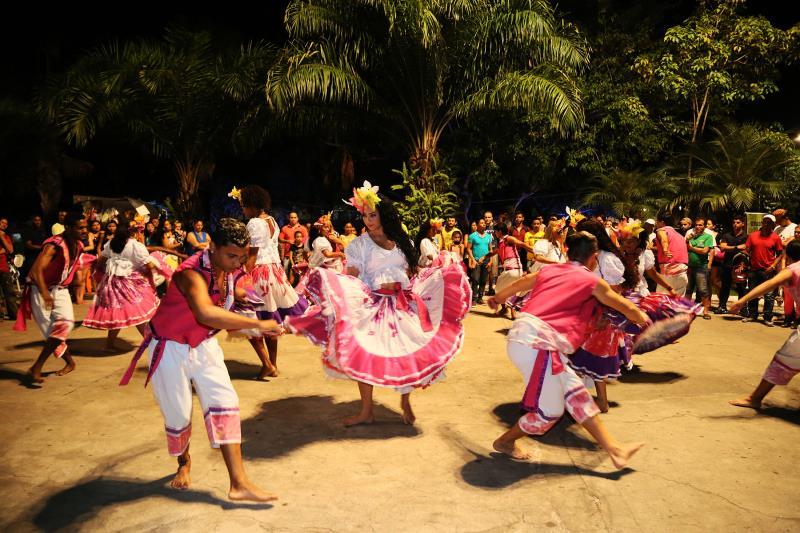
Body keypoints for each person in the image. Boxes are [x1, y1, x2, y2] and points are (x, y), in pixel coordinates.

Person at [119, 218, 281, 502]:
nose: (238, 264)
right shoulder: (190, 273)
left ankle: (239, 483)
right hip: (168, 348)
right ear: (213, 246)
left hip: (204, 345)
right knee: (178, 414)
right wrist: (260, 325)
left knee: (226, 404)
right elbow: (205, 312)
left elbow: (228, 295)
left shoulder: (226, 270)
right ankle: (184, 463)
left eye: (242, 257)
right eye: (231, 256)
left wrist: (258, 298)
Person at [285, 182, 471, 426]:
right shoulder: (360, 244)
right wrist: (335, 290)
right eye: (365, 215)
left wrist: (437, 270)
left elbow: (412, 271)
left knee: (405, 351)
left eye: (373, 214)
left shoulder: (402, 241)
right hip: (373, 304)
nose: (369, 219)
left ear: (384, 213)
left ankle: (405, 401)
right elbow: (351, 274)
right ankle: (366, 411)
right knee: (366, 352)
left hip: (404, 303)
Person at [487, 231, 647, 467]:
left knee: (576, 393)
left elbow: (523, 282)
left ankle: (615, 450)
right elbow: (625, 307)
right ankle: (504, 442)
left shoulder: (550, 270)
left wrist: (498, 298)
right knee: (549, 413)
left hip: (531, 339)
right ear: (593, 257)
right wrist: (645, 318)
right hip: (537, 344)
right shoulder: (592, 281)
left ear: (568, 251)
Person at [236, 185, 308, 379]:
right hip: (274, 273)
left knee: (248, 319)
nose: (243, 209)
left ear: (251, 205)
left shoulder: (253, 223)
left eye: (243, 205)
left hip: (259, 274)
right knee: (269, 320)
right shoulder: (272, 221)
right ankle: (272, 364)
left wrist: (242, 280)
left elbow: (253, 255)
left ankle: (267, 364)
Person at [15, 213, 88, 383]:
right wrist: (45, 293)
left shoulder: (77, 245)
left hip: (60, 290)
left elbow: (75, 264)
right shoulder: (54, 244)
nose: (85, 231)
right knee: (52, 333)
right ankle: (64, 363)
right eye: (81, 228)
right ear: (69, 228)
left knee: (66, 325)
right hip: (39, 290)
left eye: (85, 227)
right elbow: (36, 270)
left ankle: (36, 367)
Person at [729, 240, 800, 410]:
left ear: (787, 255)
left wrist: (742, 300)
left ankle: (755, 398)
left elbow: (769, 284)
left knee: (783, 360)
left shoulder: (792, 270)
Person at [83, 222, 160, 350]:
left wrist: (102, 274)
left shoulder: (111, 244)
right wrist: (152, 273)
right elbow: (148, 265)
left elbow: (101, 261)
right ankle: (150, 342)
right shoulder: (136, 246)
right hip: (130, 284)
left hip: (111, 283)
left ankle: (110, 344)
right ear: (131, 233)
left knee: (118, 313)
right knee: (135, 311)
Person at [743, 214, 783, 326]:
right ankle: (752, 315)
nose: (766, 224)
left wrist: (773, 265)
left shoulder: (775, 237)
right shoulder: (753, 236)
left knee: (769, 296)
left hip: (768, 270)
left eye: (769, 222)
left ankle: (767, 317)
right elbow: (747, 251)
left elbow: (780, 254)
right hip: (754, 269)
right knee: (752, 293)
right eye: (764, 221)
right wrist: (743, 264)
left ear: (773, 224)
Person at [716, 215, 748, 315]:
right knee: (725, 287)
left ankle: (742, 308)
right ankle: (722, 306)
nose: (735, 224)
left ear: (743, 224)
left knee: (741, 288)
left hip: (740, 266)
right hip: (727, 265)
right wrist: (737, 247)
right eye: (734, 222)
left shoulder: (746, 236)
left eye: (738, 222)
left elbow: (746, 249)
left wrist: (729, 247)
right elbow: (722, 247)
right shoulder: (726, 235)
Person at [685, 218, 714, 319]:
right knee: (688, 289)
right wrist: (687, 241)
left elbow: (704, 251)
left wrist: (691, 248)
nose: (698, 227)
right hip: (689, 266)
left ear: (704, 226)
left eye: (700, 225)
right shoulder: (691, 237)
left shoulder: (708, 237)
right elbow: (684, 248)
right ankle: (687, 310)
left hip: (701, 267)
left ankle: (705, 311)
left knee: (703, 290)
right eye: (696, 225)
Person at [655, 213, 689, 296]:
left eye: (657, 222)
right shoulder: (680, 236)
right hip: (682, 272)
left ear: (662, 222)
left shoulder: (661, 230)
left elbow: (664, 239)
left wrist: (665, 249)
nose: (656, 224)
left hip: (669, 271)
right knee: (677, 303)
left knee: (662, 301)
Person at [467, 219, 494, 305]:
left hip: (486, 260)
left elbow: (491, 250)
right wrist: (473, 260)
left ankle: (480, 297)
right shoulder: (472, 236)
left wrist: (491, 261)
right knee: (475, 279)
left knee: (483, 280)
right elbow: (468, 249)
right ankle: (474, 298)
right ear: (478, 225)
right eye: (481, 223)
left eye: (484, 223)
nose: (483, 224)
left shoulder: (489, 236)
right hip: (476, 260)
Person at [0, 217, 21, 320]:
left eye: (5, 223)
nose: (3, 224)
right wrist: (2, 251)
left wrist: (2, 237)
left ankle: (14, 315)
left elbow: (10, 249)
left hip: (3, 268)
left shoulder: (6, 237)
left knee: (10, 292)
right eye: (2, 222)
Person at [279, 212, 309, 276]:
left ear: (297, 218)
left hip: (299, 255)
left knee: (300, 272)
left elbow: (306, 240)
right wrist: (287, 241)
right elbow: (280, 239)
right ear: (289, 218)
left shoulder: (302, 228)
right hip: (287, 254)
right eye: (291, 217)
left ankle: (299, 285)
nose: (293, 219)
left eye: (295, 217)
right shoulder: (285, 228)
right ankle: (286, 285)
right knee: (285, 270)